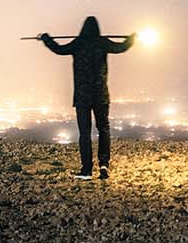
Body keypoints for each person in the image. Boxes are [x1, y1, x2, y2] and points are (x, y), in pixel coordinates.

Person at [38, 16, 134, 179]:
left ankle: (87, 170)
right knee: (104, 129)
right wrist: (131, 39)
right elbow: (121, 48)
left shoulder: (78, 43)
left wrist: (46, 39)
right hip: (101, 94)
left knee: (85, 132)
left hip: (82, 96)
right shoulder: (103, 43)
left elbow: (59, 50)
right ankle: (104, 164)